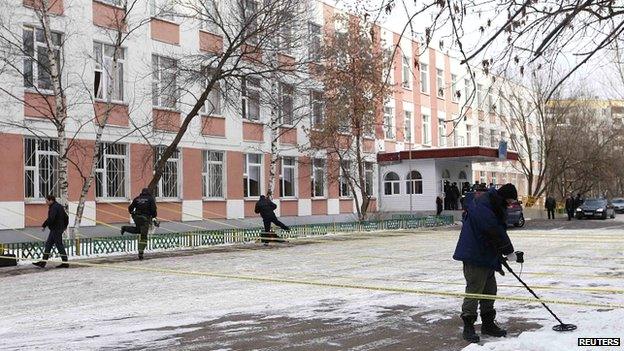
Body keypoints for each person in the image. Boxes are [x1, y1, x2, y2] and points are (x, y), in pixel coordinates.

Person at [453, 183, 521, 343]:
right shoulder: (484, 206)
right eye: (510, 200)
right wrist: (508, 251)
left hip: (486, 255)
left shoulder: (492, 203)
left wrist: (502, 253)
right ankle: (468, 326)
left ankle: (488, 324)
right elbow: (494, 230)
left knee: (490, 290)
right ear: (504, 197)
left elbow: (494, 233)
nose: (510, 204)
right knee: (475, 290)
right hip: (475, 255)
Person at [33, 195, 70, 268]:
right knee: (48, 245)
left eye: (47, 201)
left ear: (51, 200)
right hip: (56, 229)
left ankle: (65, 262)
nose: (46, 202)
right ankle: (43, 262)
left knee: (59, 245)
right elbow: (66, 217)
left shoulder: (54, 207)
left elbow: (51, 218)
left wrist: (44, 225)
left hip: (56, 229)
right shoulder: (59, 206)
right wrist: (64, 226)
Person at [121, 188, 157, 260]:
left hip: (137, 218)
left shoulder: (137, 198)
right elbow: (153, 210)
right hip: (145, 219)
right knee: (144, 235)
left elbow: (130, 208)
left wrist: (132, 213)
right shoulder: (150, 199)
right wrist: (154, 217)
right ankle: (141, 253)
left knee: (138, 230)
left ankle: (125, 228)